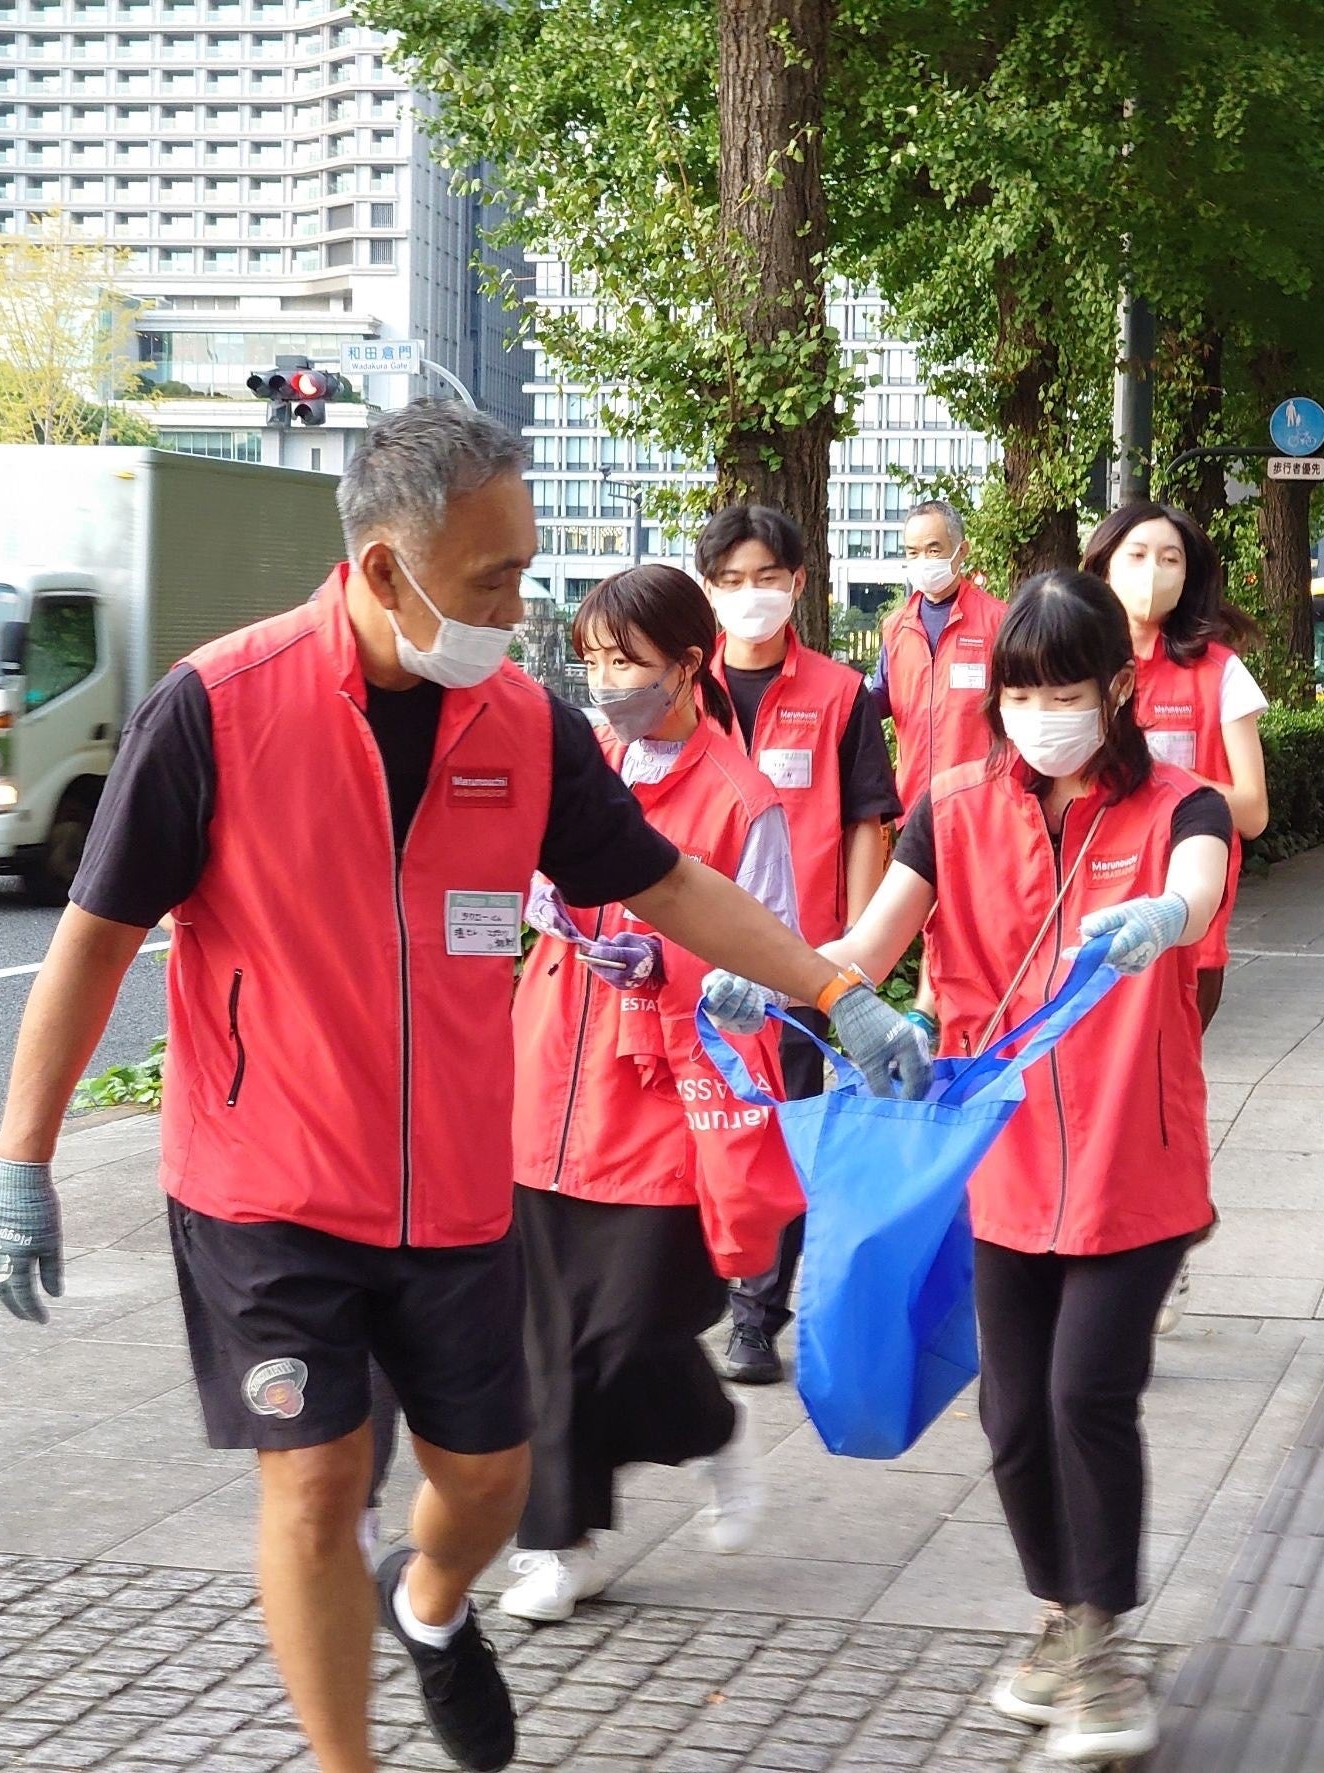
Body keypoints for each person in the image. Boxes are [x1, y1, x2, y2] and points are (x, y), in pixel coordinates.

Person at [0, 401, 931, 1773]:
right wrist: (23, 1160)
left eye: (525, 568)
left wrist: (833, 989)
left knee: (484, 1483)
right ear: (379, 569)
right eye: (492, 577)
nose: (516, 602)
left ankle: (428, 1609)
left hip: (457, 1189)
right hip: (270, 1187)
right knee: (315, 1485)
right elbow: (96, 940)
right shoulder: (218, 710)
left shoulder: (527, 727)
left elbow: (663, 880)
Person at [707, 570, 1231, 1764]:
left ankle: (1103, 1645)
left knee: (1083, 1395)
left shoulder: (1180, 807)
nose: (1045, 706)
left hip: (1132, 1160)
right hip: (994, 1160)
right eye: (1023, 686)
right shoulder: (953, 806)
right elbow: (869, 941)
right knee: (1008, 1414)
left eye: (1068, 684)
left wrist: (1161, 918)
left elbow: (1196, 896)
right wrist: (784, 975)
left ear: (1118, 685)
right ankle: (1061, 1615)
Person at [502, 564, 804, 1623]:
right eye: (589, 659)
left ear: (687, 662)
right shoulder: (581, 762)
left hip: (670, 1087)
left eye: (624, 660)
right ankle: (561, 1541)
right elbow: (529, 887)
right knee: (545, 1333)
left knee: (625, 1330)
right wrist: (560, 922)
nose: (604, 681)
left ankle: (709, 1430)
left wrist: (671, 967)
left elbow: (768, 955)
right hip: (552, 1070)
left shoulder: (741, 797)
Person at [699, 503, 903, 1385]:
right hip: (691, 968)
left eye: (767, 579)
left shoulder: (838, 693)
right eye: (733, 581)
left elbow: (868, 819)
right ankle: (697, 1285)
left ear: (798, 585)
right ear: (708, 590)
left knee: (783, 1133)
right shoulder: (683, 692)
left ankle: (757, 1316)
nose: (751, 596)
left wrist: (849, 959)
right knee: (705, 1130)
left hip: (796, 967)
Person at [1080, 500, 1268, 1028]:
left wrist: (1159, 774)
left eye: (1170, 559)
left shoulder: (1220, 672)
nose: (1153, 573)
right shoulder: (1074, 665)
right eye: (1136, 555)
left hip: (1187, 926)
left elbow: (1252, 811)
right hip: (1085, 919)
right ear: (1103, 566)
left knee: (1166, 1092)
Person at [866, 497, 1008, 807]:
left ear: (962, 551)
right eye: (912, 553)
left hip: (979, 800)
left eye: (933, 550)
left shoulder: (998, 621)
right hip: (913, 800)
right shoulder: (896, 626)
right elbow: (881, 697)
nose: (923, 561)